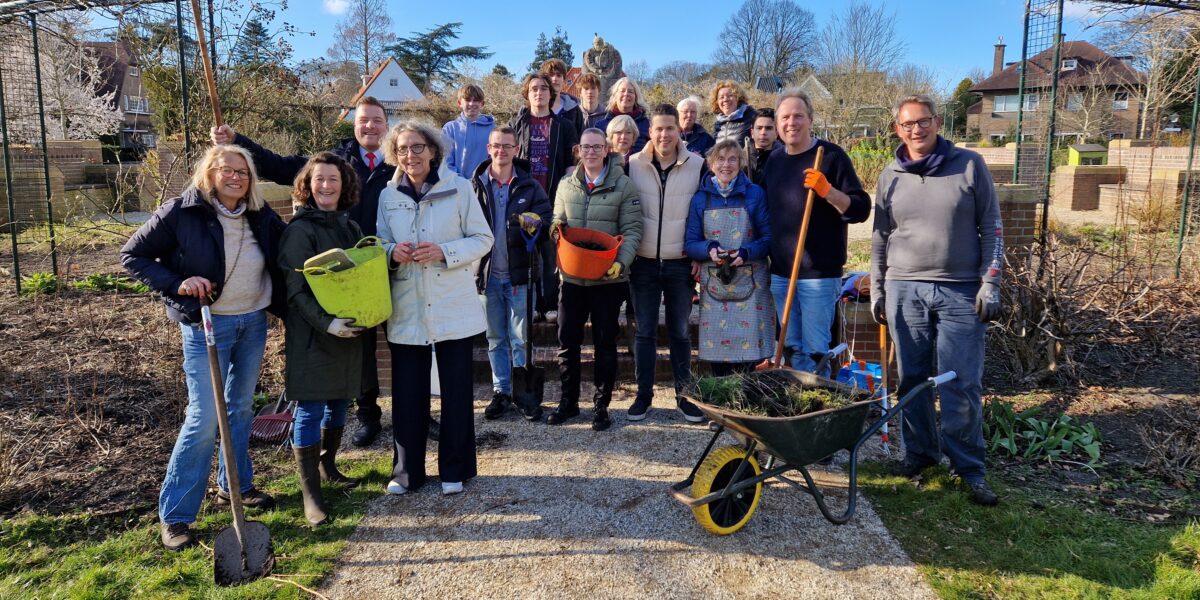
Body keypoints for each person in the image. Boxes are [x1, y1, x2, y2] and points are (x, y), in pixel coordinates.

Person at [121, 144, 285, 551]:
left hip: (253, 320)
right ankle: (176, 514)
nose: (235, 178)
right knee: (204, 415)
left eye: (243, 172)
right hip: (207, 325)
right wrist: (179, 283)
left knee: (241, 407)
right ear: (209, 173)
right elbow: (133, 255)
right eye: (226, 170)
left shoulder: (260, 214)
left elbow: (290, 247)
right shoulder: (183, 210)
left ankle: (235, 486)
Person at [211, 96, 396, 448]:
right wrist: (236, 141)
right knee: (359, 342)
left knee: (395, 342)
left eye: (376, 120)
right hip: (342, 271)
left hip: (387, 264)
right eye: (363, 120)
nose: (369, 126)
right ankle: (368, 416)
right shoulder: (334, 161)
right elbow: (276, 165)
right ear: (354, 124)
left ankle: (417, 413)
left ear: (385, 126)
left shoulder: (398, 162)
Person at [871, 94, 1004, 506]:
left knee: (960, 382)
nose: (916, 130)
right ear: (897, 128)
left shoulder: (968, 165)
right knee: (911, 379)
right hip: (904, 288)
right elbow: (879, 236)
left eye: (923, 121)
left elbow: (993, 226)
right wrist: (878, 286)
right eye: (908, 124)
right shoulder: (890, 173)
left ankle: (969, 468)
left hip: (961, 290)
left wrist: (991, 282)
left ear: (937, 121)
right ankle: (921, 454)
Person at [376, 120, 494, 496]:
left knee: (457, 393)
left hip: (452, 305)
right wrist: (391, 252)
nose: (410, 155)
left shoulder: (459, 188)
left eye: (417, 147)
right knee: (408, 394)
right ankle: (407, 472)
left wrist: (446, 251)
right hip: (407, 306)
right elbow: (376, 242)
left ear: (432, 151)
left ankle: (455, 469)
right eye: (403, 149)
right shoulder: (387, 195)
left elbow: (483, 238)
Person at [277, 152, 365, 526]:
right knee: (311, 408)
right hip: (313, 333)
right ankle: (310, 494)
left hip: (346, 328)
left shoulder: (350, 228)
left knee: (339, 400)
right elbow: (295, 289)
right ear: (308, 186)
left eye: (333, 179)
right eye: (319, 180)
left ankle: (328, 467)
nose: (327, 186)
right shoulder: (300, 231)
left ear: (343, 184)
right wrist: (327, 323)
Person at [763, 89, 870, 376]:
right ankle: (798, 409)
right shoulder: (774, 161)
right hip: (782, 272)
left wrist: (829, 191)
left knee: (815, 350)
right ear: (777, 122)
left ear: (810, 119)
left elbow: (861, 209)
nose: (791, 123)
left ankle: (818, 411)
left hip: (819, 275)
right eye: (785, 117)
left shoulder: (831, 157)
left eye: (798, 116)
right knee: (790, 346)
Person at [550, 128, 643, 430]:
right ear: (578, 150)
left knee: (605, 343)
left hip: (607, 279)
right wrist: (555, 231)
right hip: (572, 277)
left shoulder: (624, 186)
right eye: (585, 147)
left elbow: (631, 231)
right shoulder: (566, 185)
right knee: (568, 341)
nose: (591, 152)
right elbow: (557, 221)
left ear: (606, 151)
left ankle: (601, 405)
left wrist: (621, 261)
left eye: (597, 147)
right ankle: (568, 402)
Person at [626, 104, 705, 422]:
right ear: (650, 131)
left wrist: (699, 254)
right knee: (644, 332)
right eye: (658, 128)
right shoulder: (632, 164)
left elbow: (704, 214)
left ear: (678, 130)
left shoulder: (697, 164)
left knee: (680, 333)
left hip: (679, 262)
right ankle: (643, 395)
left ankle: (684, 396)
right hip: (643, 262)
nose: (664, 134)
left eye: (670, 128)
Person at [471, 126, 553, 421]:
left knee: (521, 338)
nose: (501, 151)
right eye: (496, 146)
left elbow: (546, 222)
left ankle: (523, 394)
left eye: (507, 146)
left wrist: (533, 222)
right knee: (495, 338)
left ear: (516, 149)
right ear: (488, 149)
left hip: (520, 276)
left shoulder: (530, 187)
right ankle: (501, 392)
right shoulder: (475, 187)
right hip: (488, 275)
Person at [685, 140, 774, 376]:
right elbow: (690, 243)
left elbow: (767, 239)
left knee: (747, 356)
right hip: (715, 285)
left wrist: (745, 252)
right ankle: (723, 404)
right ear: (711, 164)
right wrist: (709, 249)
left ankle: (745, 403)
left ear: (741, 163)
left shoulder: (755, 194)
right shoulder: (700, 199)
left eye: (733, 159)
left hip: (751, 281)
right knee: (719, 357)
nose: (727, 165)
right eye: (721, 159)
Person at [509, 72, 577, 322]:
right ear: (527, 94)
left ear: (551, 93)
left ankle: (548, 305)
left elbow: (571, 164)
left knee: (549, 256)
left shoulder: (564, 125)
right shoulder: (516, 124)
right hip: (522, 200)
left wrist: (564, 197)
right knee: (525, 254)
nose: (539, 93)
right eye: (534, 89)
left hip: (552, 199)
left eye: (543, 88)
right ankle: (530, 305)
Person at [443, 83, 495, 178]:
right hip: (456, 184)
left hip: (484, 185)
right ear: (459, 103)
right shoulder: (450, 128)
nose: (472, 103)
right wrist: (461, 182)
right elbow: (445, 161)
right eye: (467, 100)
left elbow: (495, 159)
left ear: (482, 104)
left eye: (476, 100)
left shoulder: (493, 129)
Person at [593, 77, 651, 154]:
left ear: (636, 97)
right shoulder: (600, 126)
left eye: (630, 91)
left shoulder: (647, 125)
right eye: (622, 91)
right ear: (615, 96)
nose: (626, 94)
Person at [541, 58, 585, 135]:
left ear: (564, 80)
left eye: (559, 75)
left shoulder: (574, 110)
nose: (555, 79)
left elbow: (581, 138)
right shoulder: (533, 108)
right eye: (551, 75)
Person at [711, 81, 757, 146]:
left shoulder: (751, 117)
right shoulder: (718, 124)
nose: (725, 100)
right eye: (721, 97)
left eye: (730, 95)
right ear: (717, 102)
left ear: (738, 98)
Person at [746, 108, 781, 186]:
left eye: (768, 128)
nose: (763, 133)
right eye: (759, 128)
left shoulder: (783, 159)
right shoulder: (740, 158)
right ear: (752, 132)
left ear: (776, 133)